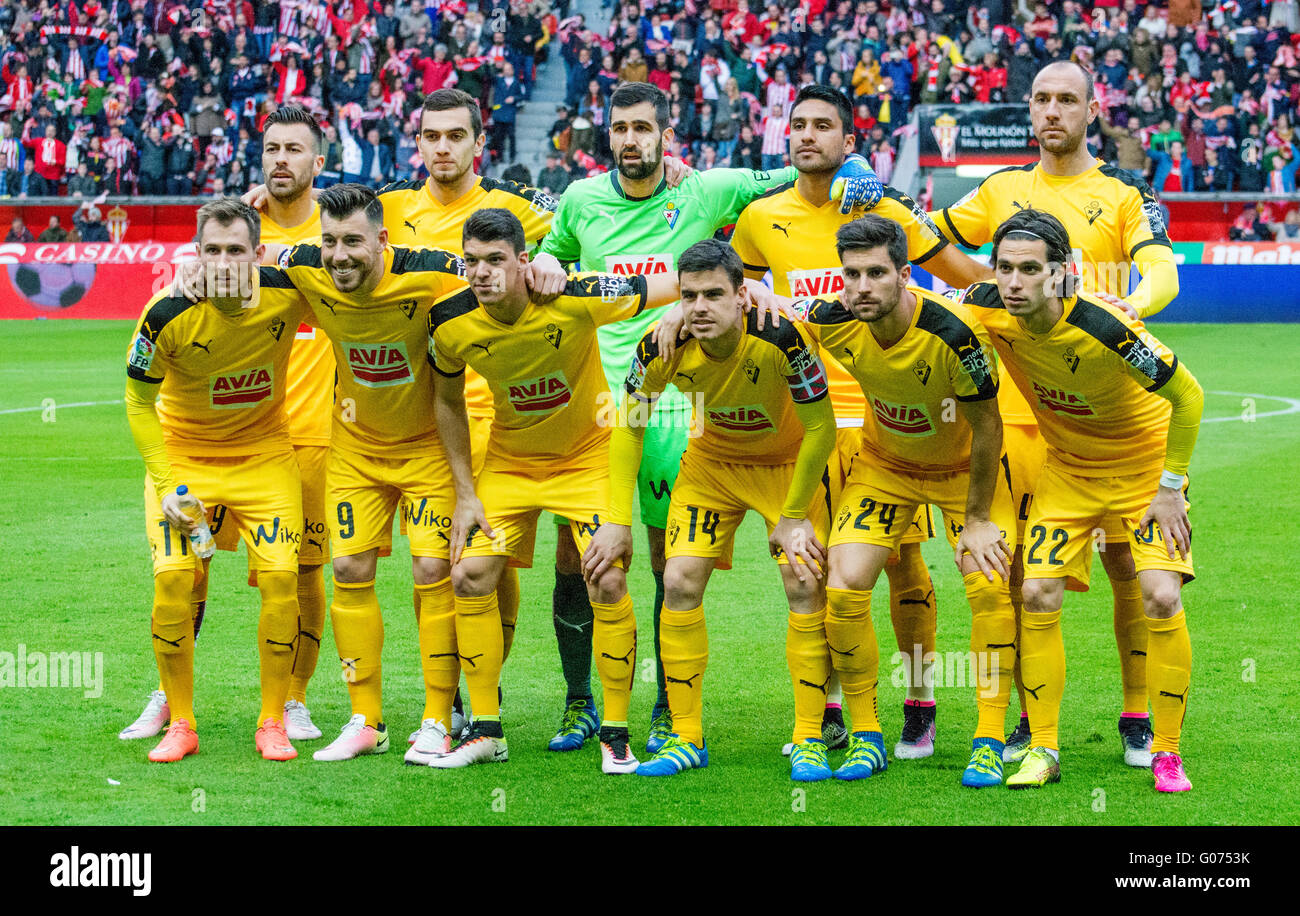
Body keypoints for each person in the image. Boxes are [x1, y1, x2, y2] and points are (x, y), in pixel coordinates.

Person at [538, 82, 881, 756]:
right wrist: (549, 259)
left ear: (668, 135)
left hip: (680, 404)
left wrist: (861, 168)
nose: (630, 140)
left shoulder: (709, 189)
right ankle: (581, 704)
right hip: (601, 400)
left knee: (673, 561)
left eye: (643, 128)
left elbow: (799, 165)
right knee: (579, 560)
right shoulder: (581, 199)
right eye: (619, 129)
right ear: (607, 136)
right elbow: (554, 247)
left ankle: (669, 709)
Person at [730, 84, 989, 759]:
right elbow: (743, 294)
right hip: (807, 422)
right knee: (817, 571)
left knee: (905, 566)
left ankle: (920, 701)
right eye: (799, 125)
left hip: (889, 424)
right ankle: (835, 708)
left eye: (825, 126)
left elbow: (963, 277)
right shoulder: (759, 218)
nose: (808, 136)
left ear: (852, 141)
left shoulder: (888, 211)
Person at [934, 61, 1179, 769]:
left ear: (1091, 109)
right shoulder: (1002, 190)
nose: (1051, 111)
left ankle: (1137, 714)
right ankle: (1026, 720)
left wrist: (1140, 301)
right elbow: (930, 243)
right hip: (1019, 418)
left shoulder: (1125, 193)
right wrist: (985, 286)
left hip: (1107, 416)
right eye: (1040, 98)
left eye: (1066, 99)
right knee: (1018, 577)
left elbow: (1161, 267)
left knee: (1127, 567)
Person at [426, 208, 684, 772]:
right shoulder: (448, 323)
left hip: (587, 460)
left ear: (524, 260)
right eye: (472, 261)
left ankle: (615, 733)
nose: (482, 273)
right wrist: (466, 495)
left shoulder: (578, 294)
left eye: (496, 260)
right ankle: (486, 729)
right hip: (511, 465)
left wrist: (727, 295)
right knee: (469, 574)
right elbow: (445, 401)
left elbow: (676, 281)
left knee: (607, 575)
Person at [963, 209, 1202, 792]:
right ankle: (1042, 749)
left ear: (1060, 274)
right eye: (1004, 269)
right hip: (1067, 472)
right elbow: (912, 299)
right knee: (1036, 591)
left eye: (1028, 270)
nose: (1014, 282)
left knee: (1161, 595)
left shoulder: (1107, 325)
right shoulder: (987, 304)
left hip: (1144, 473)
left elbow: (1188, 397)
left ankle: (1167, 752)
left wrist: (1172, 488)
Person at [121, 106, 336, 745]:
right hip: (193, 454)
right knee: (179, 578)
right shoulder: (172, 302)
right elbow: (135, 399)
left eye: (295, 149)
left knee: (298, 574)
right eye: (272, 147)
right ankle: (173, 703)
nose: (281, 159)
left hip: (295, 441)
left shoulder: (302, 270)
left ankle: (286, 706)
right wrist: (166, 483)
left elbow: (359, 291)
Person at [584, 239, 837, 779]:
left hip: (786, 465)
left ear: (742, 295)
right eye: (690, 294)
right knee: (677, 581)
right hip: (711, 464)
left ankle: (809, 737)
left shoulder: (780, 333)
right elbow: (629, 427)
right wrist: (614, 519)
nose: (699, 307)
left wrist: (794, 516)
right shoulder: (662, 344)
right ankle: (686, 737)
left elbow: (822, 428)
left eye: (714, 295)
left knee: (804, 581)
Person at [368, 88, 567, 759]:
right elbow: (322, 240)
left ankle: (481, 694)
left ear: (480, 143)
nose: (443, 147)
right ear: (417, 141)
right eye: (431, 136)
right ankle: (448, 697)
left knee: (489, 561)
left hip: (504, 416)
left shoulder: (520, 209)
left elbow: (569, 237)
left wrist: (553, 257)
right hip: (424, 415)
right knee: (435, 565)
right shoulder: (391, 208)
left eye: (457, 135)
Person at [795, 215, 1015, 786]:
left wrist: (976, 519)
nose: (861, 287)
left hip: (961, 471)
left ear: (904, 274)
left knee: (989, 585)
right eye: (851, 275)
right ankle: (868, 736)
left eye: (875, 273)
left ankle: (989, 738)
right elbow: (763, 315)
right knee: (842, 586)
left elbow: (988, 426)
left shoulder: (952, 333)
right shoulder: (834, 319)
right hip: (884, 468)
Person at [273, 184, 470, 762]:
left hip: (429, 448)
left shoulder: (433, 272)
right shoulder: (306, 266)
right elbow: (248, 267)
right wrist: (196, 274)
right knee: (349, 567)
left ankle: (437, 717)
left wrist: (547, 269)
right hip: (356, 449)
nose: (338, 256)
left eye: (353, 242)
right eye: (329, 241)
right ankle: (366, 718)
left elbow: (496, 278)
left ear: (383, 240)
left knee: (433, 569)